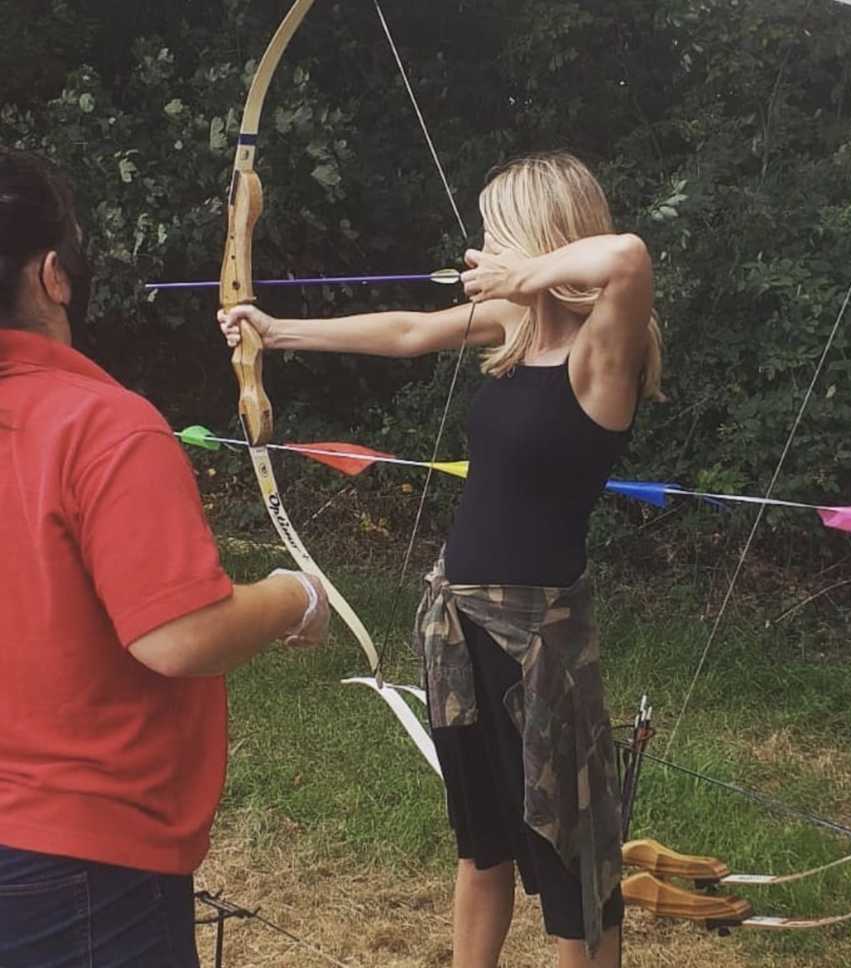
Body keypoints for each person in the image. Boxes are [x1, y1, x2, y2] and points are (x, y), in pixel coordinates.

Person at [220, 152, 662, 968]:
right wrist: (277, 332)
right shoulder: (517, 330)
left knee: (570, 862)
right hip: (459, 626)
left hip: (542, 647)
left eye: (497, 235)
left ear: (541, 238)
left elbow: (627, 256)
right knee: (483, 845)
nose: (480, 253)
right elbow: (410, 332)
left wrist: (521, 274)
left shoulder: (604, 351)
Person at [0, 147, 330, 967]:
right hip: (82, 860)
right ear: (53, 275)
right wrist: (296, 594)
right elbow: (178, 636)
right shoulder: (100, 424)